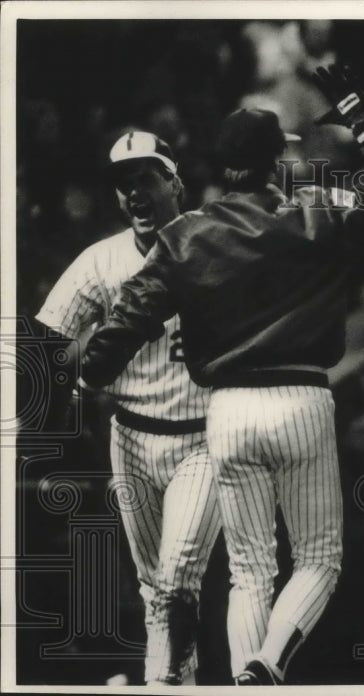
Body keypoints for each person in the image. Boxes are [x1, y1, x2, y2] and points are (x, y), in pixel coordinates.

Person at [79, 65, 364, 685]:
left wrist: (91, 374)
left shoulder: (184, 234)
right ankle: (267, 663)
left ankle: (246, 677)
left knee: (248, 571)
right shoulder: (315, 210)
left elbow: (127, 317)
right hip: (301, 398)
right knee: (317, 562)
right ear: (276, 159)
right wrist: (363, 119)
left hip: (226, 412)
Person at [34, 131, 221, 685]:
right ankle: (175, 682)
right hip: (132, 435)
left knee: (179, 576)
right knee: (154, 588)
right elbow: (43, 340)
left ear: (174, 182)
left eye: (146, 178)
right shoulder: (102, 260)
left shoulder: (216, 239)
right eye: (124, 183)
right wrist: (67, 375)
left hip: (206, 434)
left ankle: (162, 683)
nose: (135, 193)